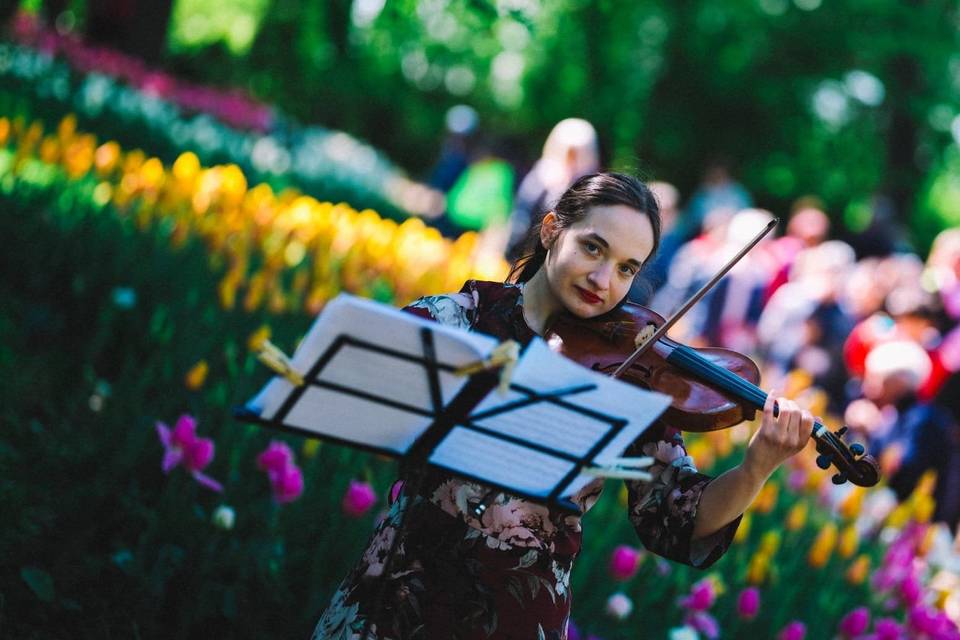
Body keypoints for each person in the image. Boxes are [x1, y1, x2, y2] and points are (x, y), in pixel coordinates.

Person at [312, 172, 813, 640]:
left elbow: (676, 518)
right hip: (395, 599)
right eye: (592, 248)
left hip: (518, 618)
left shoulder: (631, 372)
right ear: (552, 229)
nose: (603, 280)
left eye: (626, 269)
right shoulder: (456, 321)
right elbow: (350, 390)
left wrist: (756, 467)